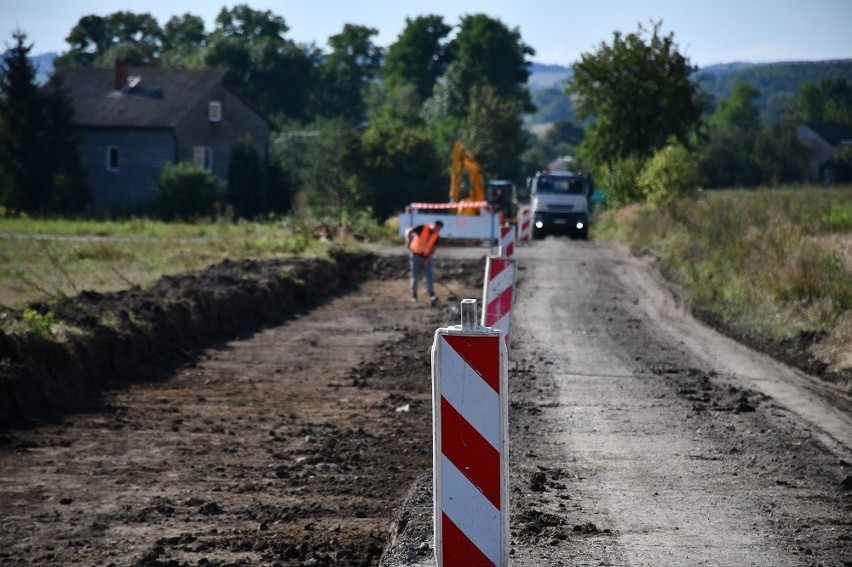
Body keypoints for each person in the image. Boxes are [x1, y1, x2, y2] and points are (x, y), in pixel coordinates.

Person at [405, 220, 444, 305]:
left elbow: (433, 248)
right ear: (433, 225)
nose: (437, 230)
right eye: (436, 227)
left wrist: (428, 258)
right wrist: (408, 241)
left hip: (427, 258)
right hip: (416, 255)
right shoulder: (423, 228)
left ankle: (432, 294)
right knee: (415, 276)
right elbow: (408, 230)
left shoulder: (436, 236)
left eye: (439, 229)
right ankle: (414, 295)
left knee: (429, 276)